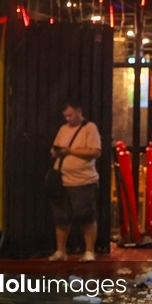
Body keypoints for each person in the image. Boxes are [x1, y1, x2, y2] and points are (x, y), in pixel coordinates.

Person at [48, 102, 102, 262]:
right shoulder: (63, 129)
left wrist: (69, 150)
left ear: (79, 111)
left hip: (83, 181)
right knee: (61, 217)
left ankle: (89, 251)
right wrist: (56, 152)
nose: (68, 118)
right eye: (65, 116)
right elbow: (54, 149)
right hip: (63, 181)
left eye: (70, 115)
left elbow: (95, 152)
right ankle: (60, 251)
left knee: (85, 215)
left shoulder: (89, 128)